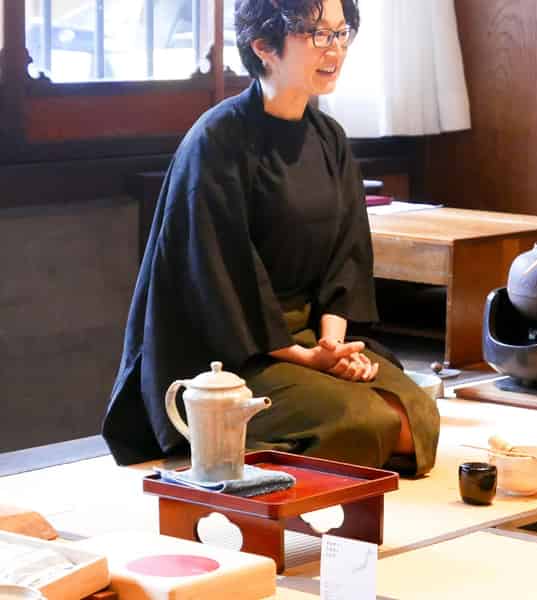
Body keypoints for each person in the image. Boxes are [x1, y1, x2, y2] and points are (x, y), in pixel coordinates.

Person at [102, 0, 440, 477]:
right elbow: (221, 275)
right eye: (317, 35)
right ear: (264, 47)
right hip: (234, 351)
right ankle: (218, 446)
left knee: (416, 415)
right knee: (366, 420)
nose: (334, 50)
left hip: (309, 341)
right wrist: (304, 357)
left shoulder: (330, 138)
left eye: (341, 34)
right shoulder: (216, 141)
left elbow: (347, 256)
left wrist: (333, 348)